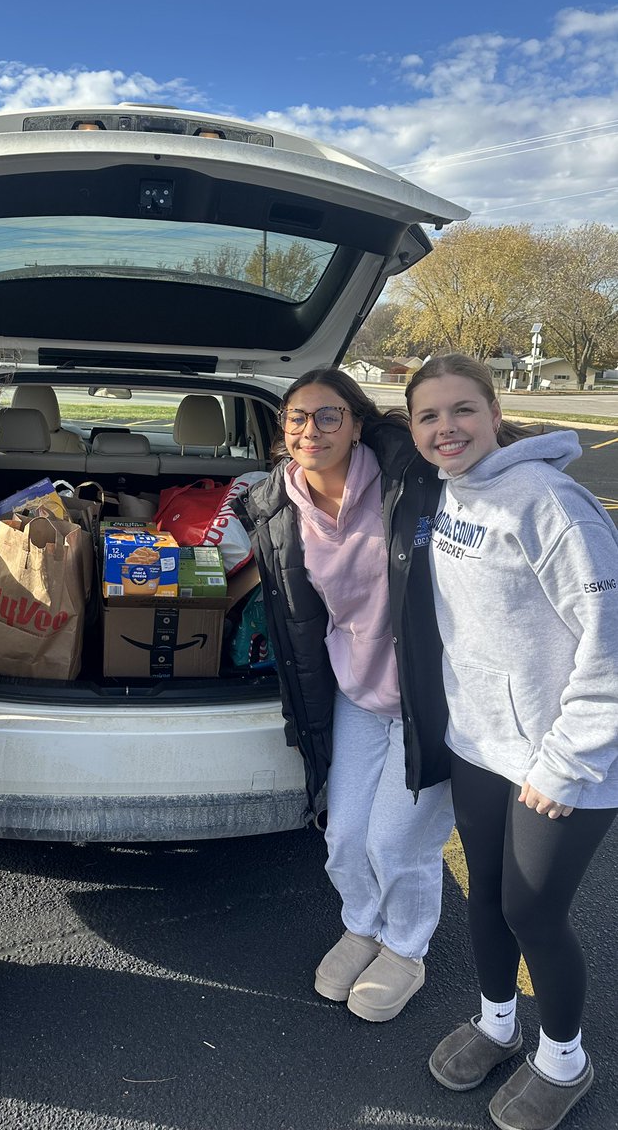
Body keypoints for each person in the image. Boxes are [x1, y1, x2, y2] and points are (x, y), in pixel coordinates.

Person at [406, 354, 618, 1130]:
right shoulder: (451, 489)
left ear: (495, 411)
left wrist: (568, 763)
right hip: (481, 745)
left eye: (462, 410)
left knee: (534, 913)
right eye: (428, 416)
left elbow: (611, 641)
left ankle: (565, 1061)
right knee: (488, 898)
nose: (446, 428)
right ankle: (499, 1023)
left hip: (561, 758)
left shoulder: (551, 503)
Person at [235, 368, 454, 1022]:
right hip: (356, 690)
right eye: (298, 419)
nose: (312, 431)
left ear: (358, 424)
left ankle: (405, 948)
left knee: (397, 842)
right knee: (344, 834)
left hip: (430, 695)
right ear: (284, 433)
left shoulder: (410, 482)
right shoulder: (277, 505)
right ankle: (361, 926)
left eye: (329, 416)